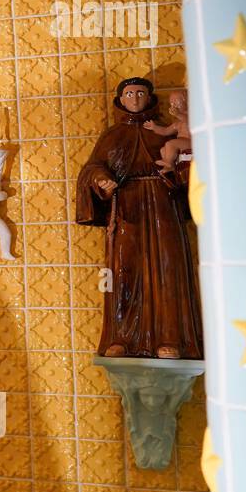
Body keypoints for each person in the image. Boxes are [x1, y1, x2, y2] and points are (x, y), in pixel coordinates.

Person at [75, 77, 202, 359]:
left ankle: (172, 338)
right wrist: (101, 179)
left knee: (168, 269)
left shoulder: (164, 131)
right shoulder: (112, 136)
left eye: (140, 93)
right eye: (129, 93)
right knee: (123, 271)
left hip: (162, 206)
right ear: (120, 99)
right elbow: (92, 168)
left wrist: (176, 172)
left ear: (150, 97)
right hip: (126, 210)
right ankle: (122, 337)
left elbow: (190, 159)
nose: (134, 98)